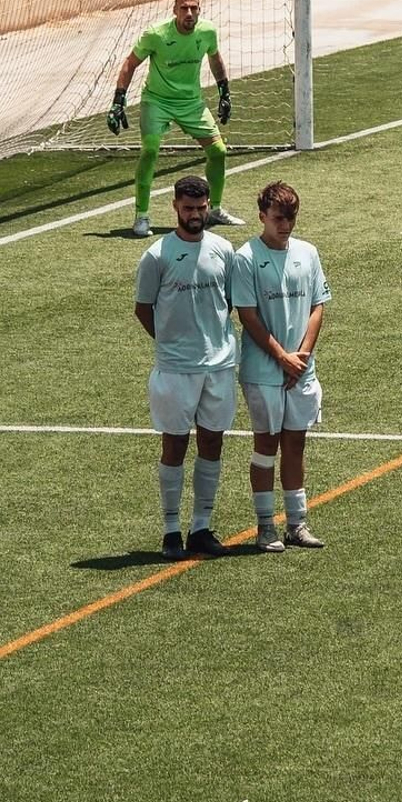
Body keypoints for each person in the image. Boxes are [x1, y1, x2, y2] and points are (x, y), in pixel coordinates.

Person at [132, 173, 236, 560]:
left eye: (201, 207)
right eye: (188, 208)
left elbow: (231, 301)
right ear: (174, 206)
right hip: (175, 369)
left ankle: (201, 528)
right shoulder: (157, 255)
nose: (195, 214)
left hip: (219, 365)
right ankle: (171, 530)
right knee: (174, 444)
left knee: (212, 441)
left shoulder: (224, 250)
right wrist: (170, 342)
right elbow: (143, 309)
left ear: (209, 206)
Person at [231, 181, 332, 551]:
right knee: (265, 445)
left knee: (295, 444)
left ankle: (297, 523)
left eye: (290, 217)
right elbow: (248, 314)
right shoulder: (245, 258)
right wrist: (281, 357)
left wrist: (301, 356)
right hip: (263, 370)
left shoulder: (308, 252)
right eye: (278, 218)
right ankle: (264, 526)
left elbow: (318, 305)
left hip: (301, 369)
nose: (285, 224)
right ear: (262, 216)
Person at [109, 0, 242, 240]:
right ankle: (141, 216)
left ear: (199, 10)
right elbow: (130, 64)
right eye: (184, 8)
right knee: (149, 151)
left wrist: (224, 92)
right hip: (157, 101)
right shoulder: (156, 34)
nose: (189, 13)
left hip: (191, 103)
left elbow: (215, 58)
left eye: (193, 8)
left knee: (218, 151)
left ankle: (214, 210)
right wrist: (119, 101)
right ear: (174, 10)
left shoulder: (207, 31)